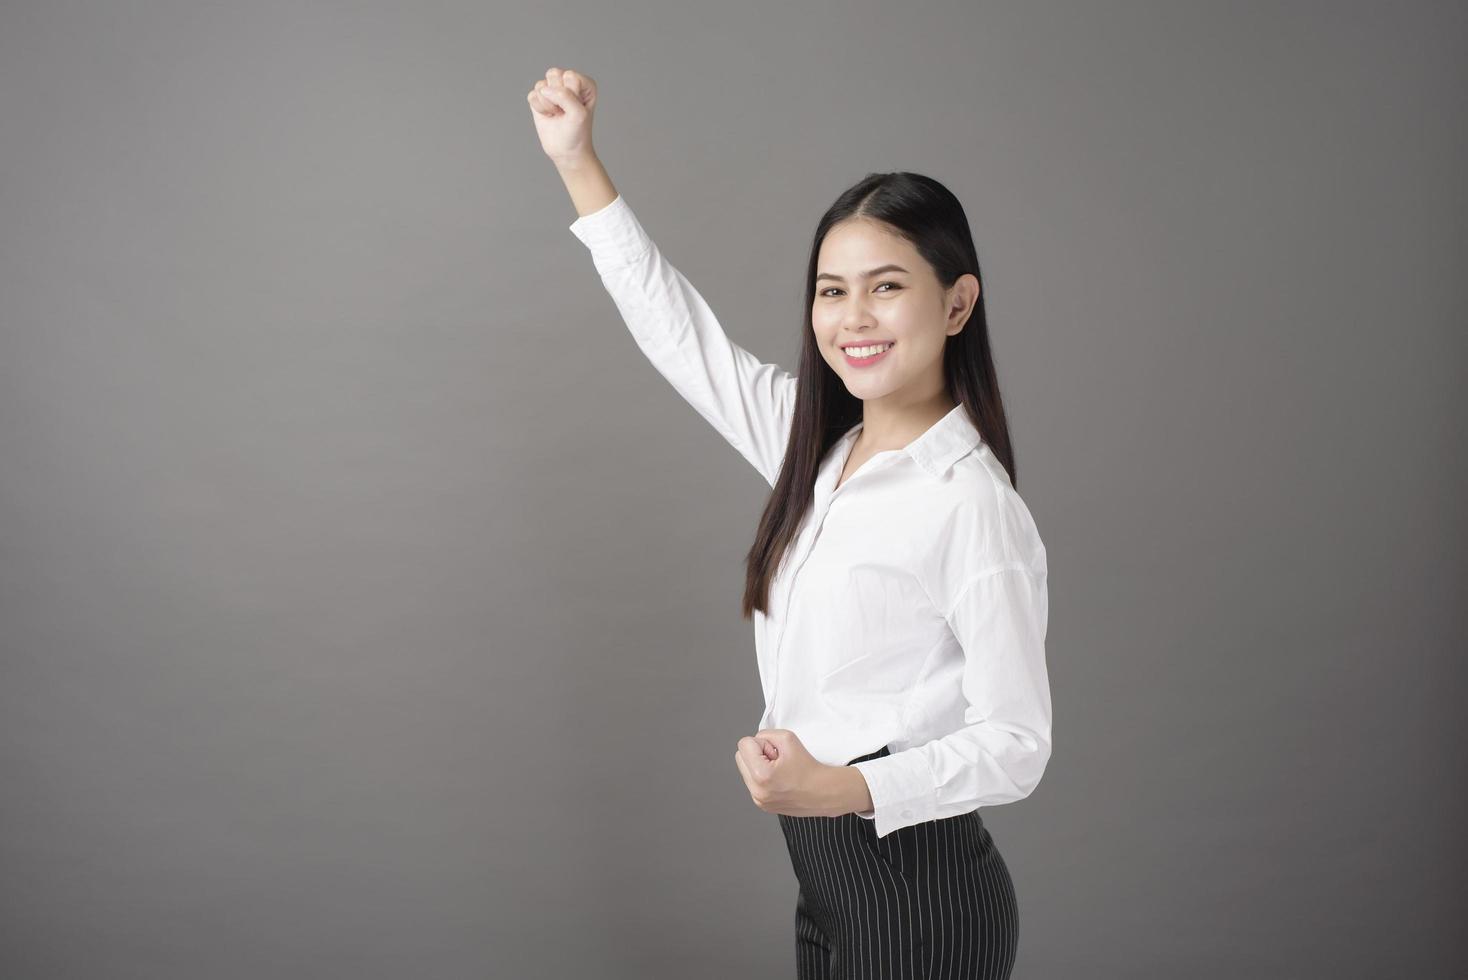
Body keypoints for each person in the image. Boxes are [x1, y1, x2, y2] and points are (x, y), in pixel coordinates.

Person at [528, 66, 1051, 980]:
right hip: (827, 878)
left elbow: (1018, 745)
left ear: (957, 303)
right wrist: (579, 162)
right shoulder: (813, 451)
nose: (853, 319)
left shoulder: (970, 503)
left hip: (918, 893)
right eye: (830, 290)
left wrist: (842, 786)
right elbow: (676, 332)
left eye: (886, 287)